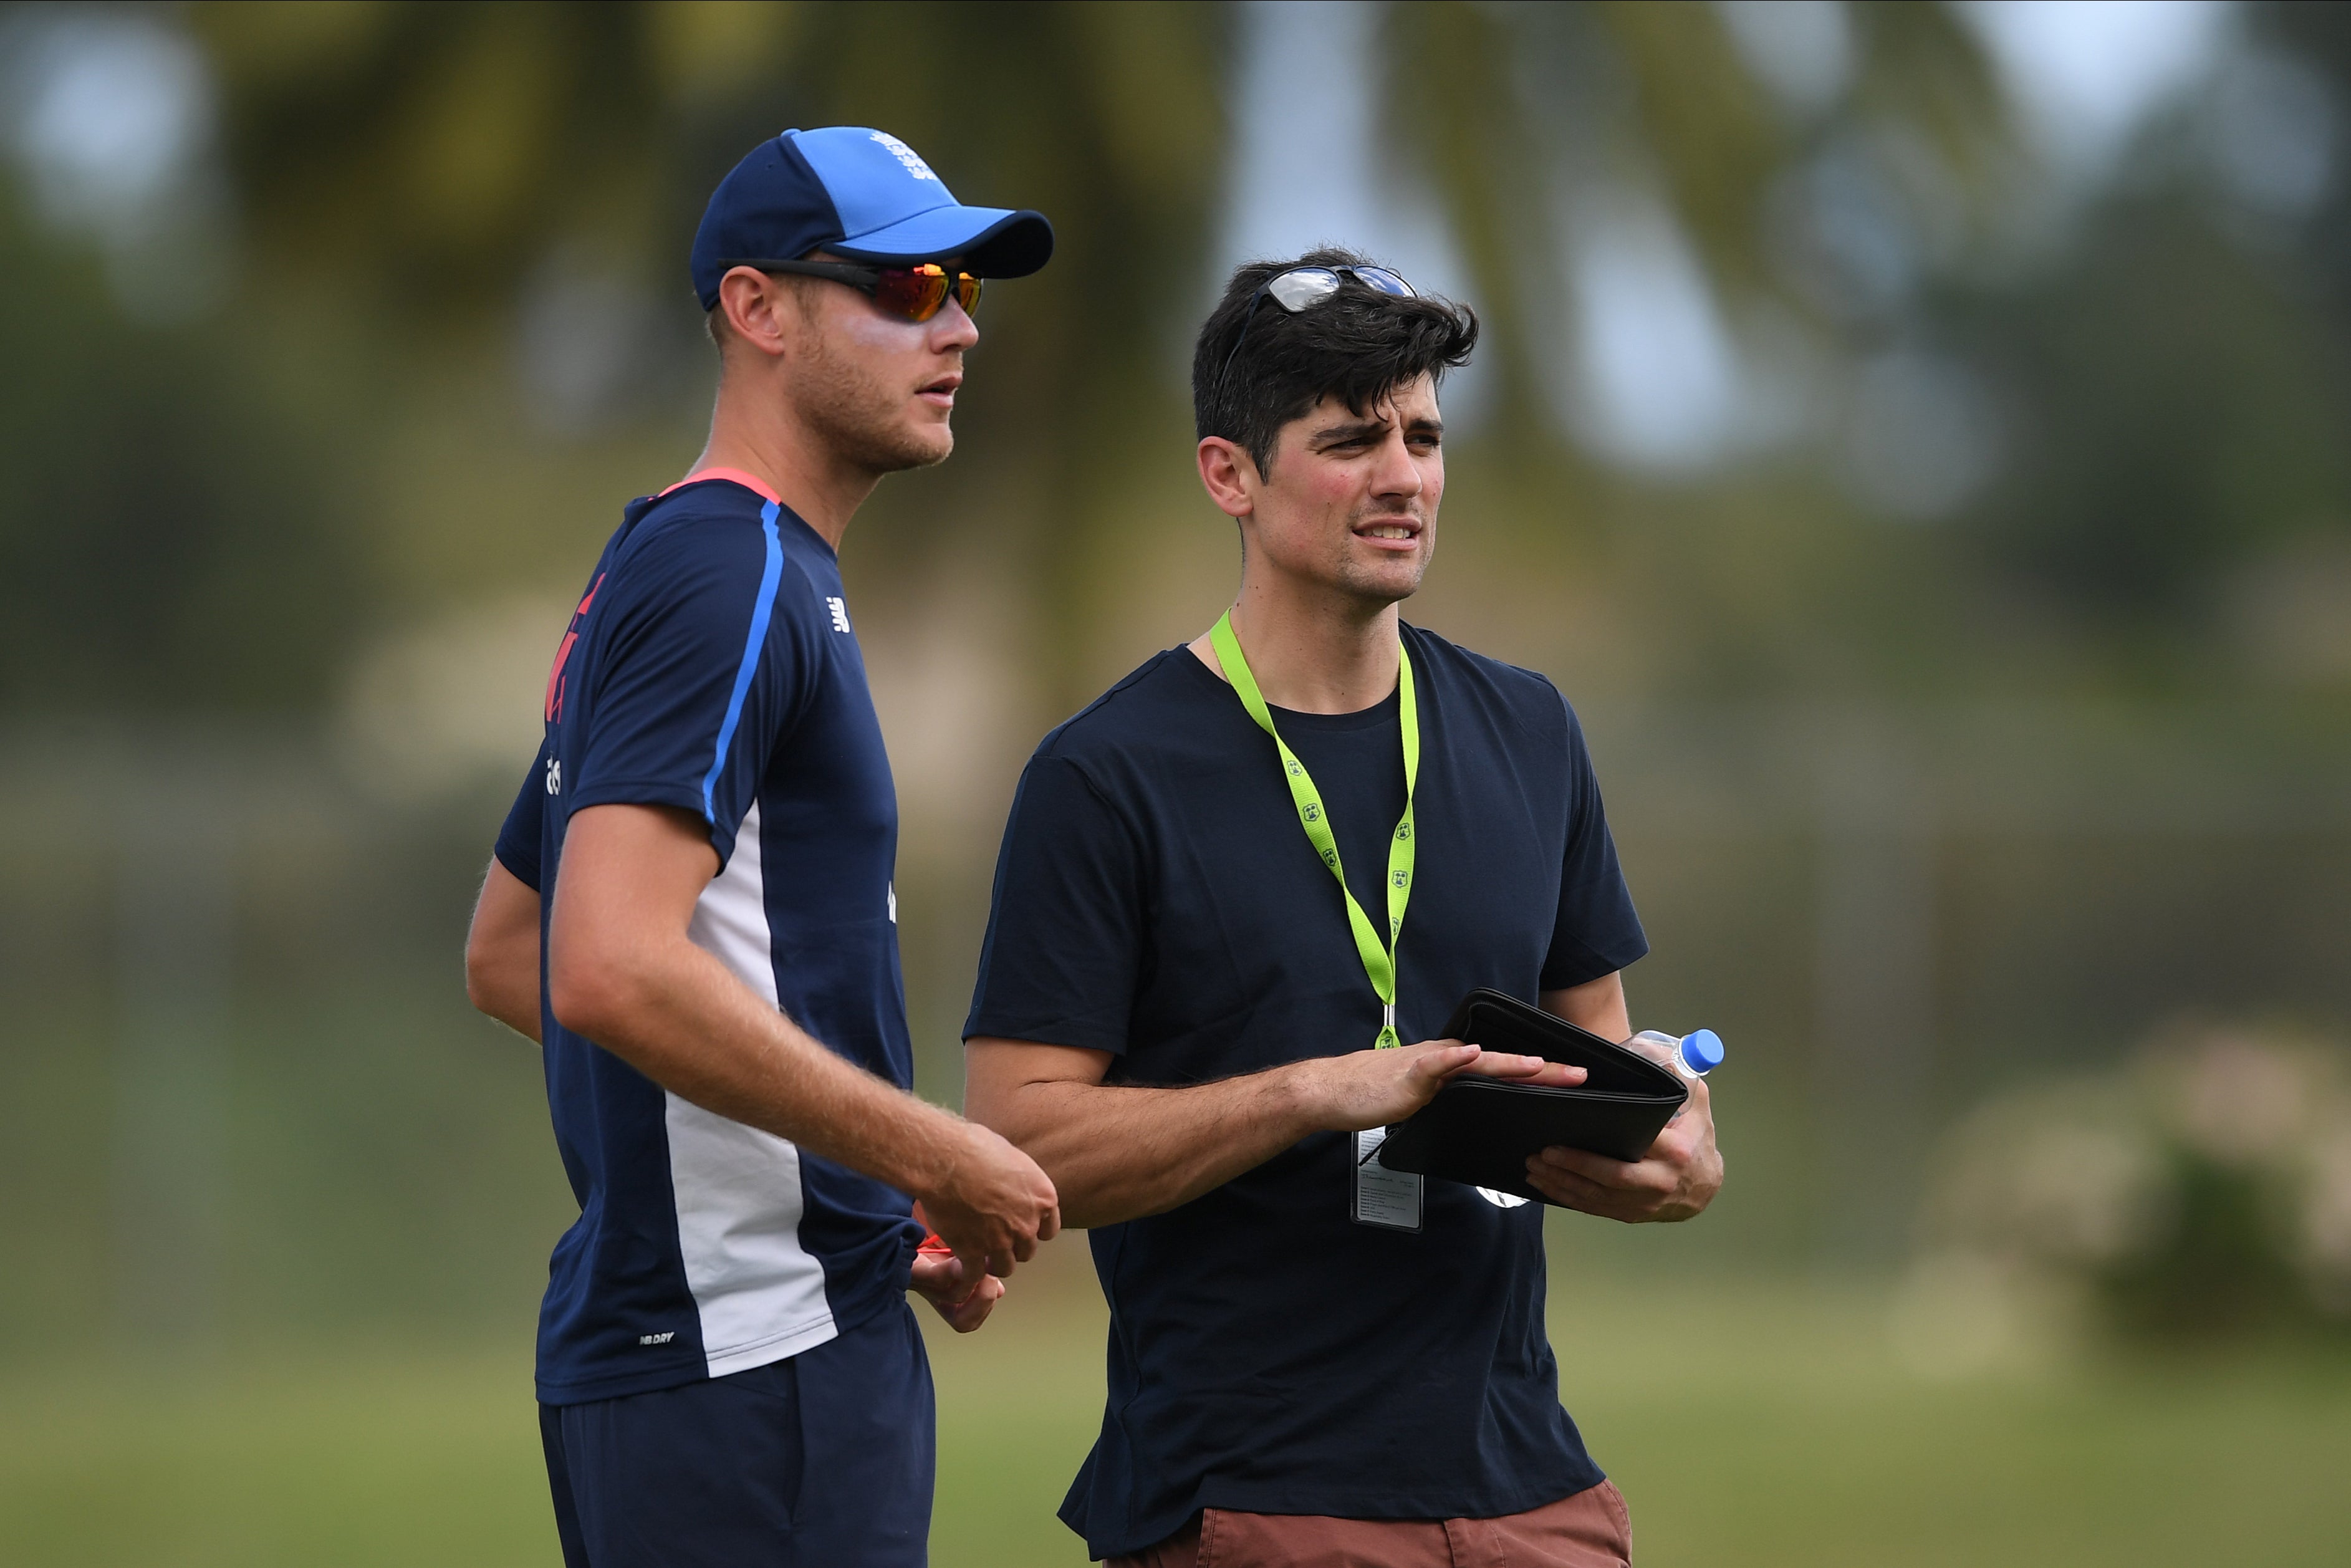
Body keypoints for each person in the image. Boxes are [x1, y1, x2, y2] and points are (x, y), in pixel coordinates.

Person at [962, 249, 1725, 1567]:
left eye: (1423, 435)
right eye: (1351, 438)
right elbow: (1014, 1154)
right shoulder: (1105, 774)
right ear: (1230, 476)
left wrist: (1668, 1143)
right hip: (1249, 1500)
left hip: (1529, 1491)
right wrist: (1313, 1094)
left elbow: (1603, 1065)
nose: (1403, 476)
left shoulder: (1529, 729)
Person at [461, 127, 1063, 1568]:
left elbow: (507, 953)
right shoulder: (730, 571)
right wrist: (931, 1151)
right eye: (911, 286)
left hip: (732, 1348)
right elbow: (601, 966)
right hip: (750, 1373)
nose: (961, 325)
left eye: (966, 289)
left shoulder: (691, 557)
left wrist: (842, 1199)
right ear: (759, 309)